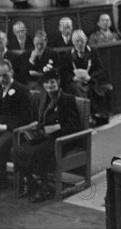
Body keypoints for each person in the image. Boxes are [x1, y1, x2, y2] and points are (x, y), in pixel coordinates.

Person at [14, 69, 80, 202]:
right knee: (20, 149)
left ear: (58, 83)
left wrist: (57, 128)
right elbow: (40, 121)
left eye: (53, 82)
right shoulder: (43, 98)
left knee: (37, 152)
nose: (50, 85)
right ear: (43, 85)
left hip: (62, 138)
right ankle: (33, 183)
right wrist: (36, 131)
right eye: (47, 83)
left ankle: (44, 188)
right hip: (45, 136)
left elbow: (75, 126)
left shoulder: (67, 99)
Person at [0, 59, 33, 190]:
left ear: (11, 73)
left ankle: (1, 181)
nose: (1, 79)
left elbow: (26, 119)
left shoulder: (22, 91)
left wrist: (5, 127)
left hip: (16, 130)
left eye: (4, 75)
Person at [61, 30, 112, 124]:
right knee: (78, 88)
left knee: (86, 88)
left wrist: (90, 77)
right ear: (73, 42)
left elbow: (99, 69)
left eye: (82, 41)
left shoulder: (93, 52)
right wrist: (73, 78)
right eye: (77, 41)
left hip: (90, 80)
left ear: (86, 40)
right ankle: (86, 116)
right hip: (75, 82)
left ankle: (86, 116)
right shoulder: (68, 54)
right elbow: (64, 72)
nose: (80, 44)